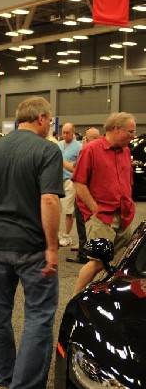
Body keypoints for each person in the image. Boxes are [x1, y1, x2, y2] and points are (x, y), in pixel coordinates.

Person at [0, 96, 63, 389]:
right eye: (50, 120)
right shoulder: (47, 150)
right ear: (40, 118)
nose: (50, 125)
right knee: (38, 315)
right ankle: (24, 385)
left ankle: (4, 377)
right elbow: (48, 198)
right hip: (32, 246)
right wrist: (51, 246)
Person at [71, 113, 136, 296]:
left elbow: (126, 181)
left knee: (125, 257)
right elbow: (79, 183)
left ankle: (106, 292)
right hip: (102, 216)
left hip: (124, 214)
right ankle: (75, 300)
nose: (133, 135)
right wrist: (94, 209)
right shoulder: (91, 150)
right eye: (130, 131)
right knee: (97, 261)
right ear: (116, 129)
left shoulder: (125, 151)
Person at [68, 127, 101, 263]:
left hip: (84, 195)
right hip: (97, 195)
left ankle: (84, 253)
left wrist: (61, 161)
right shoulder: (102, 150)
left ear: (86, 138)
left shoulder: (86, 150)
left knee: (83, 224)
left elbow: (76, 171)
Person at [57, 123, 82, 248]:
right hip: (57, 180)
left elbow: (79, 168)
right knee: (56, 208)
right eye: (63, 132)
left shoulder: (79, 147)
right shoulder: (59, 145)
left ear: (73, 132)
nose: (65, 135)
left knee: (68, 210)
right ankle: (56, 234)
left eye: (68, 133)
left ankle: (66, 236)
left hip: (70, 181)